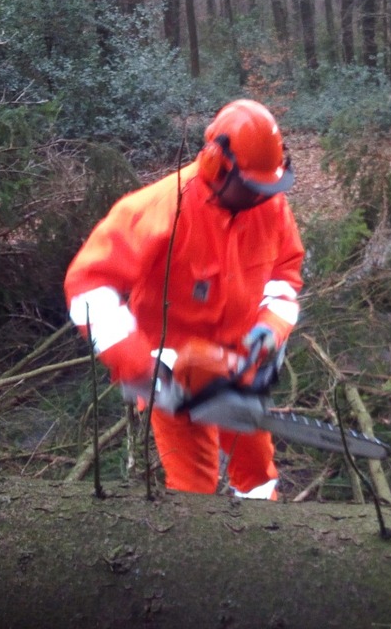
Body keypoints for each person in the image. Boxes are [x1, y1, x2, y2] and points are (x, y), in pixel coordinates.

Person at [63, 100, 304, 500]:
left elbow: (284, 278)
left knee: (258, 472)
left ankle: (267, 540)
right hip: (173, 371)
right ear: (215, 164)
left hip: (238, 361)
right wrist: (140, 364)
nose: (259, 198)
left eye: (266, 188)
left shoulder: (271, 207)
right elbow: (88, 285)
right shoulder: (160, 210)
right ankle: (196, 552)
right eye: (250, 187)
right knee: (193, 488)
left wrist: (269, 331)